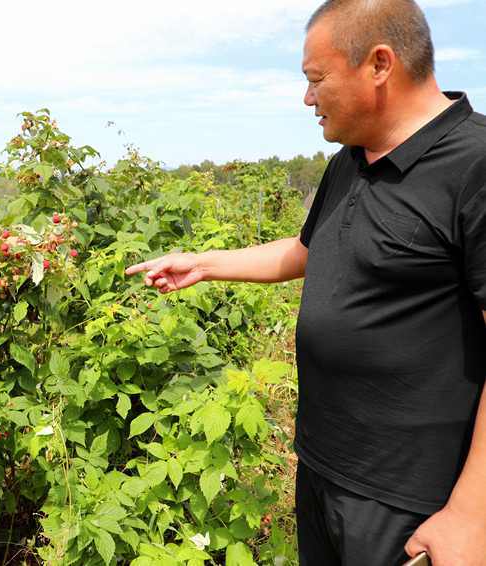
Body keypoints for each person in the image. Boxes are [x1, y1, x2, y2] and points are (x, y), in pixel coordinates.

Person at [126, 1, 486, 565]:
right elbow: (305, 250)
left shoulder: (475, 165)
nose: (307, 98)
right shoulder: (350, 160)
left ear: (380, 65)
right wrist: (203, 264)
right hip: (323, 467)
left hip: (413, 498)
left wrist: (469, 515)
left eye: (316, 79)